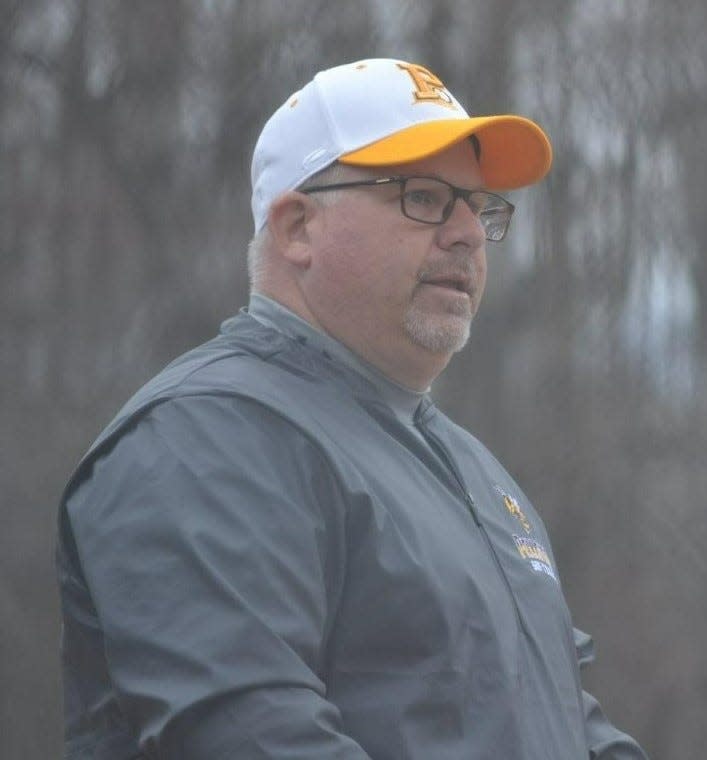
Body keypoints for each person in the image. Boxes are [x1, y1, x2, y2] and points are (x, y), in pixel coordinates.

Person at [57, 58, 648, 759]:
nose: (465, 232)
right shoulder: (205, 436)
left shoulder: (472, 470)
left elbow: (562, 724)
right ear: (297, 227)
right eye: (424, 197)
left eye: (478, 206)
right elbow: (249, 735)